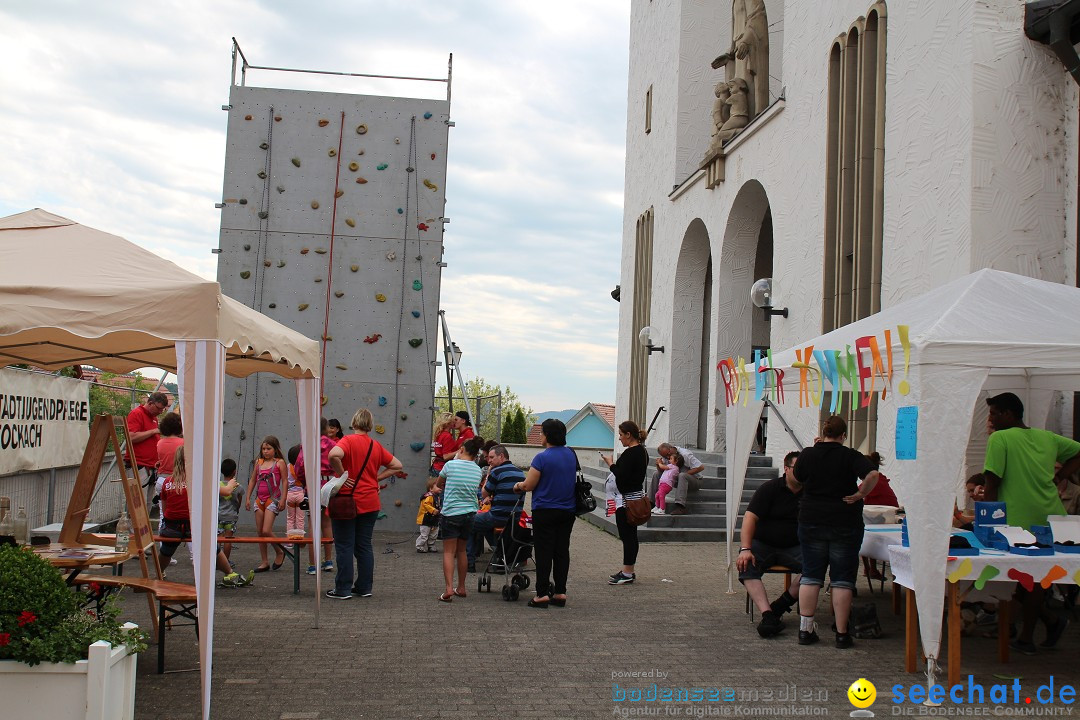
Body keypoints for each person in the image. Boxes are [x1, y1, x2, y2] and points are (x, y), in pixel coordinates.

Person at [983, 392, 1080, 653]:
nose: (990, 420)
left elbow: (992, 482)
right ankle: (1048, 621)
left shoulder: (1000, 438)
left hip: (1017, 520)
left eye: (993, 414)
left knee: (1030, 580)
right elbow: (1078, 451)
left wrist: (988, 522)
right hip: (1051, 517)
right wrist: (1062, 478)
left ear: (1009, 414)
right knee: (1032, 579)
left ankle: (1027, 637)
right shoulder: (1046, 437)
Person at [793, 415, 880, 649]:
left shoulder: (809, 454)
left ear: (823, 433)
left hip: (812, 519)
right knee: (842, 578)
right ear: (844, 435)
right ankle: (842, 634)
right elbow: (872, 475)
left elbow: (799, 476)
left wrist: (814, 449)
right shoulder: (851, 455)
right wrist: (861, 494)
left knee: (811, 574)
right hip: (845, 521)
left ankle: (805, 630)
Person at [326, 408, 402, 599]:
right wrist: (376, 478)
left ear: (353, 422)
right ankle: (364, 587)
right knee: (364, 546)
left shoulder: (348, 441)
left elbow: (333, 455)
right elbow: (397, 466)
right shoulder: (375, 445)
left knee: (344, 545)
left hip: (347, 501)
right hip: (370, 502)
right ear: (370, 424)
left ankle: (343, 589)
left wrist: (343, 473)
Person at [161, 447, 250, 585]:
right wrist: (232, 483)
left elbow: (165, 508)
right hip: (193, 525)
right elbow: (226, 491)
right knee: (213, 548)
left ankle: (158, 572)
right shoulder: (198, 479)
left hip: (172, 527)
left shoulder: (167, 482)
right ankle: (230, 574)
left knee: (166, 550)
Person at [737, 451, 803, 637]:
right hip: (763, 544)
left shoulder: (811, 492)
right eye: (797, 468)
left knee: (816, 565)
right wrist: (745, 548)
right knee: (746, 563)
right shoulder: (769, 489)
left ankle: (780, 606)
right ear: (786, 469)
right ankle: (767, 614)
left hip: (794, 547)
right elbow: (750, 518)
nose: (802, 473)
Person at [516, 419, 578, 607]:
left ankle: (541, 594)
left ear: (548, 435)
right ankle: (560, 593)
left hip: (545, 510)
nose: (540, 436)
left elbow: (529, 485)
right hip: (567, 510)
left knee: (544, 551)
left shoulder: (541, 458)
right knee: (561, 551)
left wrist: (517, 485)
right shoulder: (571, 455)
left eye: (542, 432)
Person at [603, 421, 649, 585]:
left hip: (626, 501)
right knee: (631, 536)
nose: (620, 439)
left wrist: (611, 464)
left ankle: (627, 572)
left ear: (629, 435)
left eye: (621, 435)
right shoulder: (642, 451)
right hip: (634, 498)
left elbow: (622, 475)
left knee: (627, 536)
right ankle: (628, 570)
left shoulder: (631, 453)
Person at [466, 444, 525, 571]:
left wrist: (488, 474)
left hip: (497, 517)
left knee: (468, 522)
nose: (489, 461)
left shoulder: (496, 471)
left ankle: (469, 562)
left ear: (502, 456)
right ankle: (499, 554)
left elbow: (483, 493)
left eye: (492, 457)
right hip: (514, 520)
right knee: (485, 525)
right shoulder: (520, 473)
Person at [437, 437, 482, 602]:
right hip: (470, 514)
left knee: (449, 552)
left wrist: (436, 488)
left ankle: (448, 589)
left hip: (451, 514)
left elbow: (439, 483)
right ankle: (461, 587)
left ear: (461, 449)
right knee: (462, 551)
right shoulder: (478, 470)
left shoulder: (450, 465)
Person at [295, 417, 338, 573]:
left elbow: (299, 466)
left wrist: (303, 481)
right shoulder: (333, 445)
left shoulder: (307, 445)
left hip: (313, 485)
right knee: (327, 523)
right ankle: (328, 561)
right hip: (329, 485)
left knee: (313, 524)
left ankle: (313, 564)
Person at [244, 436, 288, 573]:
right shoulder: (259, 463)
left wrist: (283, 499)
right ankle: (264, 561)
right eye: (263, 449)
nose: (265, 451)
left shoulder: (279, 463)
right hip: (259, 499)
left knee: (266, 530)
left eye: (268, 448)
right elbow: (252, 480)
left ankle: (280, 551)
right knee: (260, 532)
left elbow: (285, 481)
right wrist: (248, 498)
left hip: (272, 499)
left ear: (275, 449)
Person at [127, 392, 169, 504]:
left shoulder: (153, 418)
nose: (160, 412)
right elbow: (131, 437)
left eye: (162, 410)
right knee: (138, 503)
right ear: (150, 403)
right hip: (139, 465)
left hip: (151, 466)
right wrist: (153, 431)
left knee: (148, 502)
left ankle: (145, 522)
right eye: (159, 408)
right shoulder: (136, 414)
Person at [647, 442, 704, 515]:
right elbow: (664, 471)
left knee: (682, 476)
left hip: (695, 480)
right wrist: (659, 465)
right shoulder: (667, 456)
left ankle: (680, 506)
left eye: (668, 454)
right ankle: (650, 502)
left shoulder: (685, 454)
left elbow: (701, 467)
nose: (667, 457)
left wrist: (681, 475)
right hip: (677, 478)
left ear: (672, 448)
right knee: (656, 474)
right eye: (665, 456)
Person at [153, 412, 184, 527]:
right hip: (179, 480)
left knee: (163, 514)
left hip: (162, 480)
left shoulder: (160, 443)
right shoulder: (183, 443)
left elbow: (162, 459)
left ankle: (163, 540)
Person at [218, 458, 242, 562]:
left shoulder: (217, 485)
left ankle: (217, 560)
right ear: (234, 471)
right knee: (228, 540)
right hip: (231, 516)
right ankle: (226, 561)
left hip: (218, 516)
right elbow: (239, 502)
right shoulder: (238, 486)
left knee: (218, 538)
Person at [651, 451, 684, 515]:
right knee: (657, 495)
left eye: (671, 459)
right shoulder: (671, 466)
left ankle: (662, 509)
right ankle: (657, 506)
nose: (669, 460)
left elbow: (663, 467)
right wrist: (661, 463)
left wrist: (659, 463)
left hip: (666, 484)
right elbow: (665, 466)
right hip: (663, 483)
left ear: (676, 461)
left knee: (661, 495)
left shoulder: (674, 467)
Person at [415, 476, 442, 553]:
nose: (440, 488)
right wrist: (433, 510)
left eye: (441, 486)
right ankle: (420, 546)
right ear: (431, 488)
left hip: (434, 519)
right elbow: (425, 504)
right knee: (424, 534)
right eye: (438, 486)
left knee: (434, 534)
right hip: (426, 519)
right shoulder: (429, 496)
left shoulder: (437, 497)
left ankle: (431, 545)